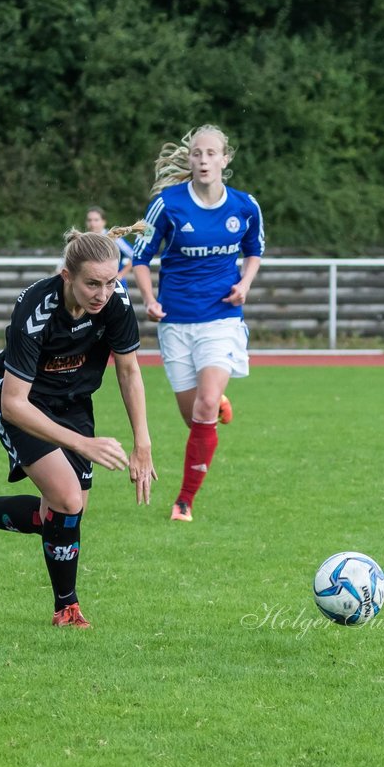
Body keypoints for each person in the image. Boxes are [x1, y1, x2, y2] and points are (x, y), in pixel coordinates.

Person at [0, 224, 156, 629]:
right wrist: (83, 444)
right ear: (67, 276)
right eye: (91, 284)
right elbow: (14, 404)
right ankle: (66, 609)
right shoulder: (35, 309)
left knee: (66, 514)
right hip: (23, 404)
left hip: (73, 402)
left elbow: (129, 372)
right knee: (67, 502)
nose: (102, 294)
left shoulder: (115, 302)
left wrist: (143, 443)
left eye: (109, 282)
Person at [131, 124, 264, 523]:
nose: (203, 160)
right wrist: (150, 300)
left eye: (211, 154)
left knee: (204, 408)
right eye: (196, 154)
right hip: (176, 322)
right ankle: (217, 399)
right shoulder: (168, 204)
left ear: (226, 159)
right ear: (189, 160)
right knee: (194, 419)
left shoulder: (245, 206)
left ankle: (184, 500)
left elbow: (254, 250)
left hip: (221, 318)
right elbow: (140, 257)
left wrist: (244, 283)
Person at [86, 205, 135, 289]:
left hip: (114, 286)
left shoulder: (114, 238)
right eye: (89, 220)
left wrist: (121, 274)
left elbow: (135, 256)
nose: (92, 223)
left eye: (96, 220)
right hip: (93, 285)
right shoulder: (84, 240)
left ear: (103, 221)